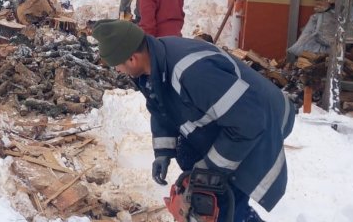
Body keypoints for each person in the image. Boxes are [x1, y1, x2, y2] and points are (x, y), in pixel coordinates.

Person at [92, 20, 295, 222]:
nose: (118, 70)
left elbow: (249, 122)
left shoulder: (192, 72)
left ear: (132, 58)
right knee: (189, 158)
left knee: (223, 194)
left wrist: (210, 167)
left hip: (262, 119)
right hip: (231, 118)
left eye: (117, 65)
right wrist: (163, 152)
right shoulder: (152, 64)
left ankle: (234, 214)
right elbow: (161, 107)